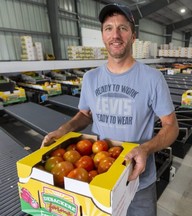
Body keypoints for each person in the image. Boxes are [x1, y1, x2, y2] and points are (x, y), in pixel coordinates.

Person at [41, 3, 179, 216]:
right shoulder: (90, 78)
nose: (116, 34)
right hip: (99, 181)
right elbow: (85, 115)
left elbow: (171, 126)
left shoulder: (152, 78)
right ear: (103, 36)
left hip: (138, 181)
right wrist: (63, 130)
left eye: (123, 28)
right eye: (109, 28)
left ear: (133, 36)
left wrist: (145, 149)